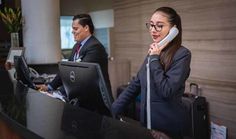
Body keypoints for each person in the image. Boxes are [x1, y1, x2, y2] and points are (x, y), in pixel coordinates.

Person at [111, 7, 191, 138]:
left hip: (168, 129)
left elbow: (166, 90)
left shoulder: (182, 54)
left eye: (159, 26)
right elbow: (135, 86)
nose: (153, 30)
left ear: (174, 30)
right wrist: (112, 109)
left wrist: (154, 58)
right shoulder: (154, 53)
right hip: (147, 126)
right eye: (151, 25)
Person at [37, 14, 113, 116]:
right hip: (82, 101)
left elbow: (79, 77)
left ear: (86, 28)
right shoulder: (77, 46)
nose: (72, 31)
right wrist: (50, 87)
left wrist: (59, 93)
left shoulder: (95, 47)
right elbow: (66, 70)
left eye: (75, 28)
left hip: (95, 104)